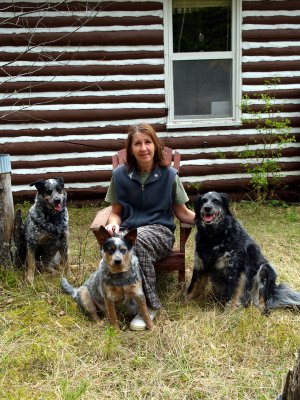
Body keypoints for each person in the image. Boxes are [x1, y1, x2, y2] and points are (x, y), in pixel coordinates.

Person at [104, 123, 195, 330]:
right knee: (118, 245)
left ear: (156, 145)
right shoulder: (119, 176)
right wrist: (112, 226)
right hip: (128, 231)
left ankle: (150, 304)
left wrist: (213, 220)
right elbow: (116, 213)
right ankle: (120, 297)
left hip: (160, 232)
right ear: (131, 149)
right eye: (137, 144)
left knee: (138, 241)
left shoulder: (170, 176)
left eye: (148, 142)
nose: (143, 148)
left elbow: (182, 213)